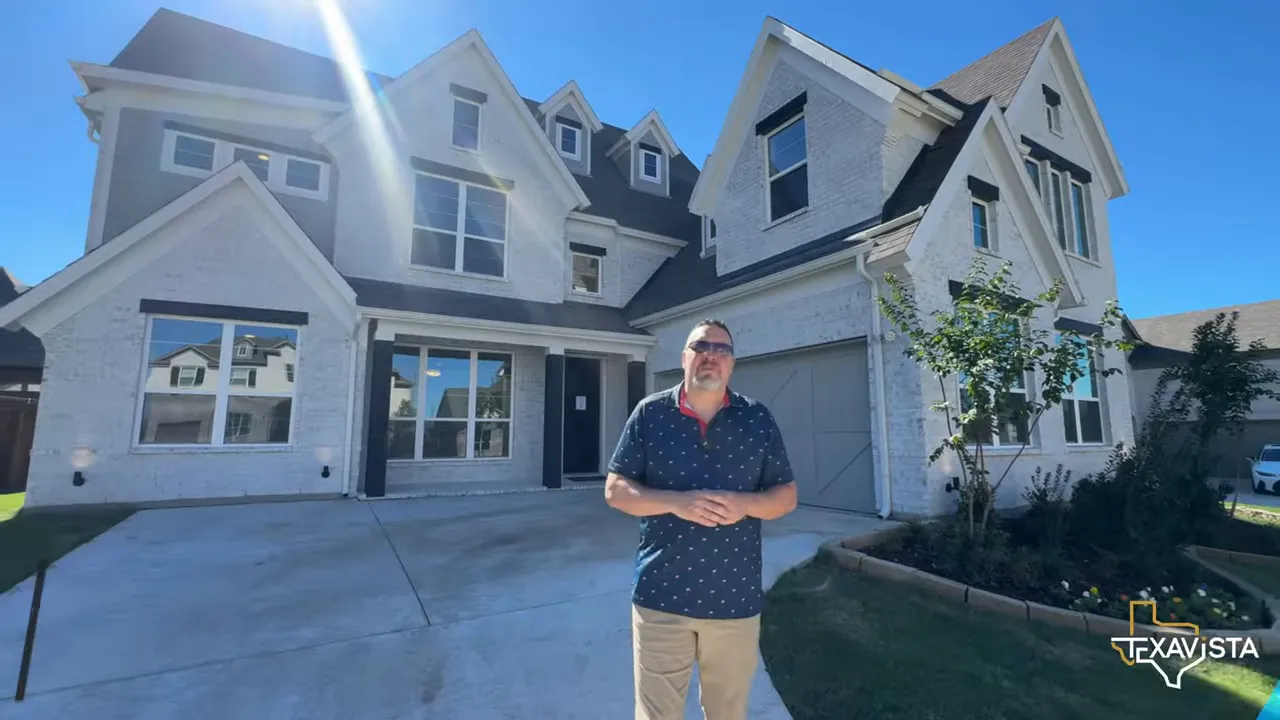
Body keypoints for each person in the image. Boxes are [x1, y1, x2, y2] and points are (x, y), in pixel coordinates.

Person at [604, 318, 798, 720]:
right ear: (684, 357)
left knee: (727, 714)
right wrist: (675, 501)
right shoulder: (650, 414)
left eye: (722, 349)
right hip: (660, 600)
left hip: (734, 603)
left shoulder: (757, 419)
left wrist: (745, 505)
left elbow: (786, 496)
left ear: (732, 363)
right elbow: (616, 490)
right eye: (701, 347)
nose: (711, 355)